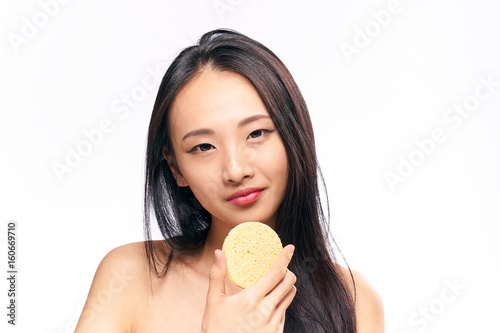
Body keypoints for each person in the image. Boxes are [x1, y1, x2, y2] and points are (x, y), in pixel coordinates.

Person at [75, 28, 384, 332]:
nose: (236, 171)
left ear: (294, 136)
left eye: (256, 134)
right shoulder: (129, 277)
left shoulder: (355, 301)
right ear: (176, 168)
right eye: (204, 147)